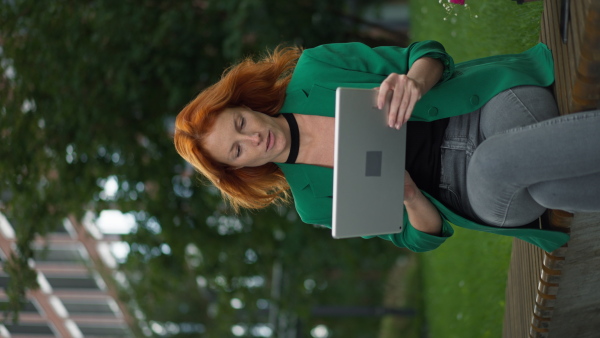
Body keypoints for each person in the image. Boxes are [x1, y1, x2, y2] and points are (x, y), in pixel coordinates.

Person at [174, 40, 600, 253]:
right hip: (474, 192)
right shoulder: (313, 203)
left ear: (243, 104)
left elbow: (429, 52)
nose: (253, 139)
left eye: (241, 124)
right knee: (497, 167)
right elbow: (419, 239)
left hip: (486, 107)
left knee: (544, 189)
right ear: (239, 170)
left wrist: (414, 79)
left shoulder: (316, 67)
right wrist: (410, 197)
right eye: (237, 150)